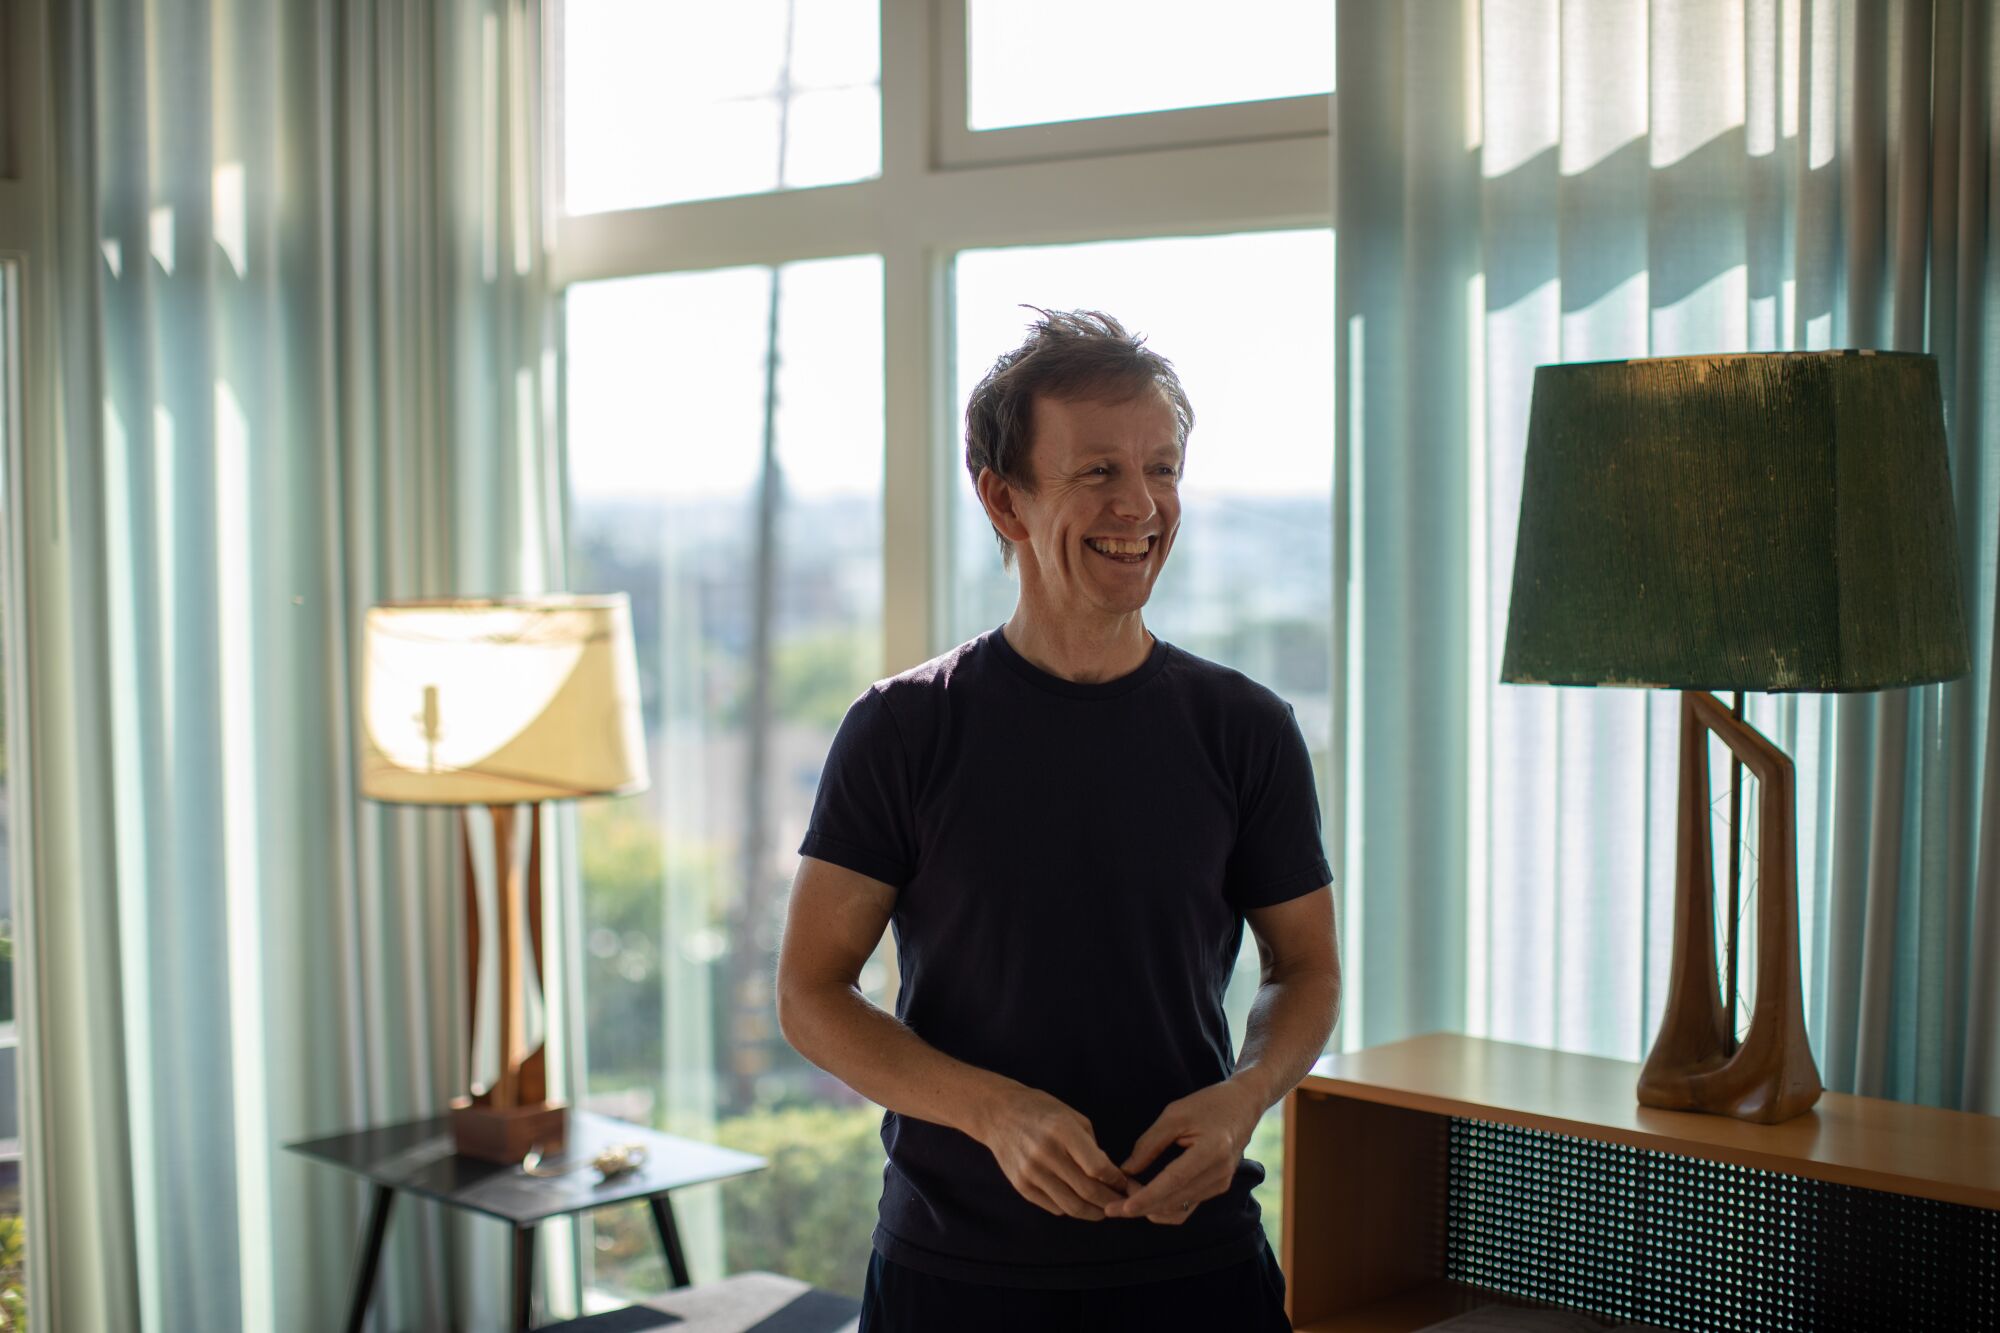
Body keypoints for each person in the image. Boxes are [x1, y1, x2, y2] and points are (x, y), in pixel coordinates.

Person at [776, 309, 1341, 1332]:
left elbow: (1304, 967)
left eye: (1161, 469)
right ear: (1003, 498)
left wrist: (1247, 1092)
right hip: (955, 1275)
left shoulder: (1245, 728)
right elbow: (811, 993)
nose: (1141, 505)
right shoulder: (901, 729)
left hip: (1194, 1266)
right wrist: (993, 1110)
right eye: (1096, 474)